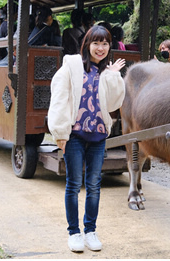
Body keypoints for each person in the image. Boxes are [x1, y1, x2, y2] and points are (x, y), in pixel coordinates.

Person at [48, 25, 126, 253]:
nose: (101, 48)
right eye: (96, 43)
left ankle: (90, 230)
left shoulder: (105, 72)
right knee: (73, 184)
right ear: (87, 44)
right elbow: (59, 98)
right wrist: (60, 132)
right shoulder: (71, 65)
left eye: (105, 44)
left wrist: (113, 77)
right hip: (74, 136)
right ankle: (74, 232)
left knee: (94, 185)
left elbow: (113, 105)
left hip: (98, 136)